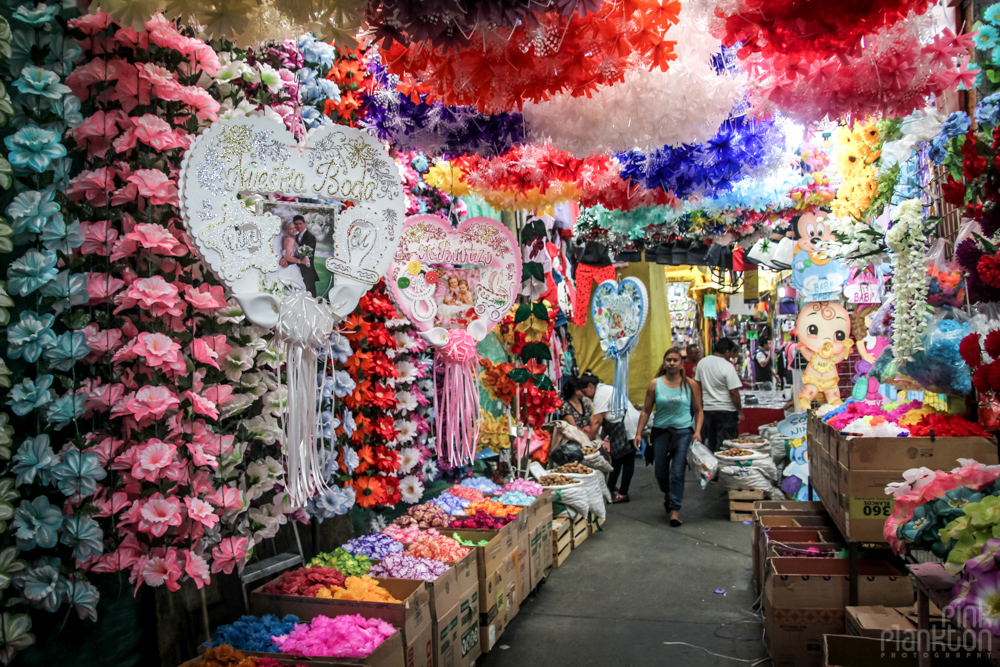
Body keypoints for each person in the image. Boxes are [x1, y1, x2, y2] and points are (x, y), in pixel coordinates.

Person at [635, 348, 704, 527]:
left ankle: (675, 510)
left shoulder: (690, 385)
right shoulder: (655, 384)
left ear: (681, 363)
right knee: (660, 472)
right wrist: (638, 432)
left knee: (678, 472)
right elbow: (646, 410)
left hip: (683, 432)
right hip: (661, 432)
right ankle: (666, 492)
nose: (672, 363)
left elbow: (698, 410)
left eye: (675, 360)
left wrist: (697, 431)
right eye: (668, 360)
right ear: (664, 363)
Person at [585, 371, 639, 503]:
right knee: (617, 459)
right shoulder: (605, 389)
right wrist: (600, 439)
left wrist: (587, 442)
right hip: (622, 426)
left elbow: (597, 421)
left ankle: (623, 493)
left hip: (628, 427)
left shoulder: (600, 394)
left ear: (591, 386)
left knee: (626, 460)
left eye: (585, 391)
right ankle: (610, 488)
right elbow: (604, 421)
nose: (585, 396)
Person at [694, 338, 745, 452]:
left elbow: (697, 385)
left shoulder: (702, 363)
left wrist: (699, 406)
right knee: (726, 447)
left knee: (712, 444)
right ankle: (724, 469)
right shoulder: (727, 366)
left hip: (708, 410)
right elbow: (734, 392)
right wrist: (739, 411)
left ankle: (713, 468)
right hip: (726, 412)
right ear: (727, 351)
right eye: (731, 353)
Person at [276, 220, 307, 292]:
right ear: (287, 230)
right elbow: (288, 257)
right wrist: (301, 261)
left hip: (287, 267)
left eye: (295, 227)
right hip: (290, 269)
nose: (294, 230)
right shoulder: (290, 240)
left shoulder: (287, 239)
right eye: (291, 228)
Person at [293, 215, 319, 296]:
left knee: (311, 294)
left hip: (307, 270)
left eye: (300, 223)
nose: (298, 226)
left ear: (304, 223)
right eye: (296, 224)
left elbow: (305, 255)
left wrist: (289, 260)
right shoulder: (296, 236)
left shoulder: (310, 237)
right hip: (298, 269)